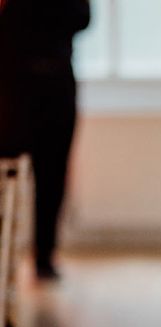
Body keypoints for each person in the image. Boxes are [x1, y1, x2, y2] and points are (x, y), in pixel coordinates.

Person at [0, 0, 90, 280]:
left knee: (52, 174)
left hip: (56, 83)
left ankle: (44, 255)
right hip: (12, 85)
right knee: (8, 175)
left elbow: (82, 18)